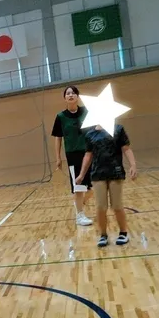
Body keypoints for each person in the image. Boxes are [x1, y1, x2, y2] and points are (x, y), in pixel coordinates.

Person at [75, 124, 137, 247]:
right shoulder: (90, 134)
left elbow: (126, 148)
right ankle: (103, 235)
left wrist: (133, 165)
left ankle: (123, 233)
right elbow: (88, 155)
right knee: (100, 207)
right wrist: (81, 174)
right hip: (98, 174)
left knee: (117, 205)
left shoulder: (118, 129)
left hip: (115, 172)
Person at [51, 85, 93, 226]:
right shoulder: (61, 117)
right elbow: (58, 138)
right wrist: (58, 157)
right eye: (68, 93)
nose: (71, 95)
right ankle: (80, 216)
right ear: (65, 98)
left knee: (94, 186)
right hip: (73, 154)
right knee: (79, 186)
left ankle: (80, 203)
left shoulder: (86, 112)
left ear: (77, 96)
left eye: (73, 93)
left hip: (89, 152)